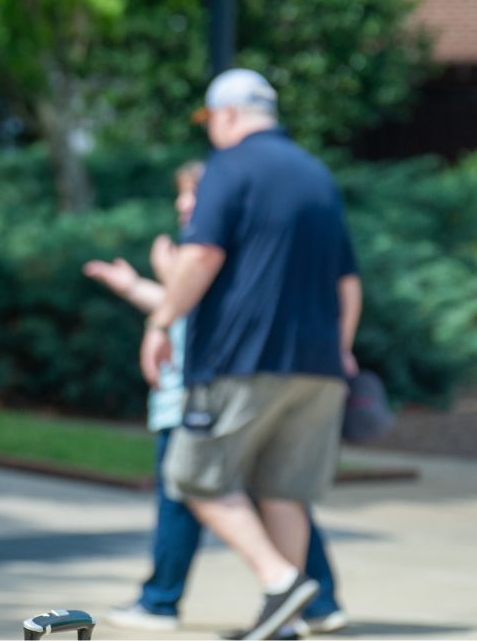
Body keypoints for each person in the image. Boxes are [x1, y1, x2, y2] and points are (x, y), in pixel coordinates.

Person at [139, 69, 361, 641]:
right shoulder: (317, 175)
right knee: (283, 490)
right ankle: (282, 622)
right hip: (317, 367)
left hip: (242, 359)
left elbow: (202, 255)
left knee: (192, 476)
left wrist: (162, 321)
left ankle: (280, 580)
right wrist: (340, 351)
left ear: (229, 114)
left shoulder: (229, 168)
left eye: (212, 119)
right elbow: (348, 283)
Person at [87, 162, 345, 637]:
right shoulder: (262, 246)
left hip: (205, 395)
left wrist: (169, 286)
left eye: (192, 195)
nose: (183, 205)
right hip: (263, 381)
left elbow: (194, 304)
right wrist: (142, 288)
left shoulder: (213, 246)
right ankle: (311, 601)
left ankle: (264, 587)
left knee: (192, 483)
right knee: (280, 493)